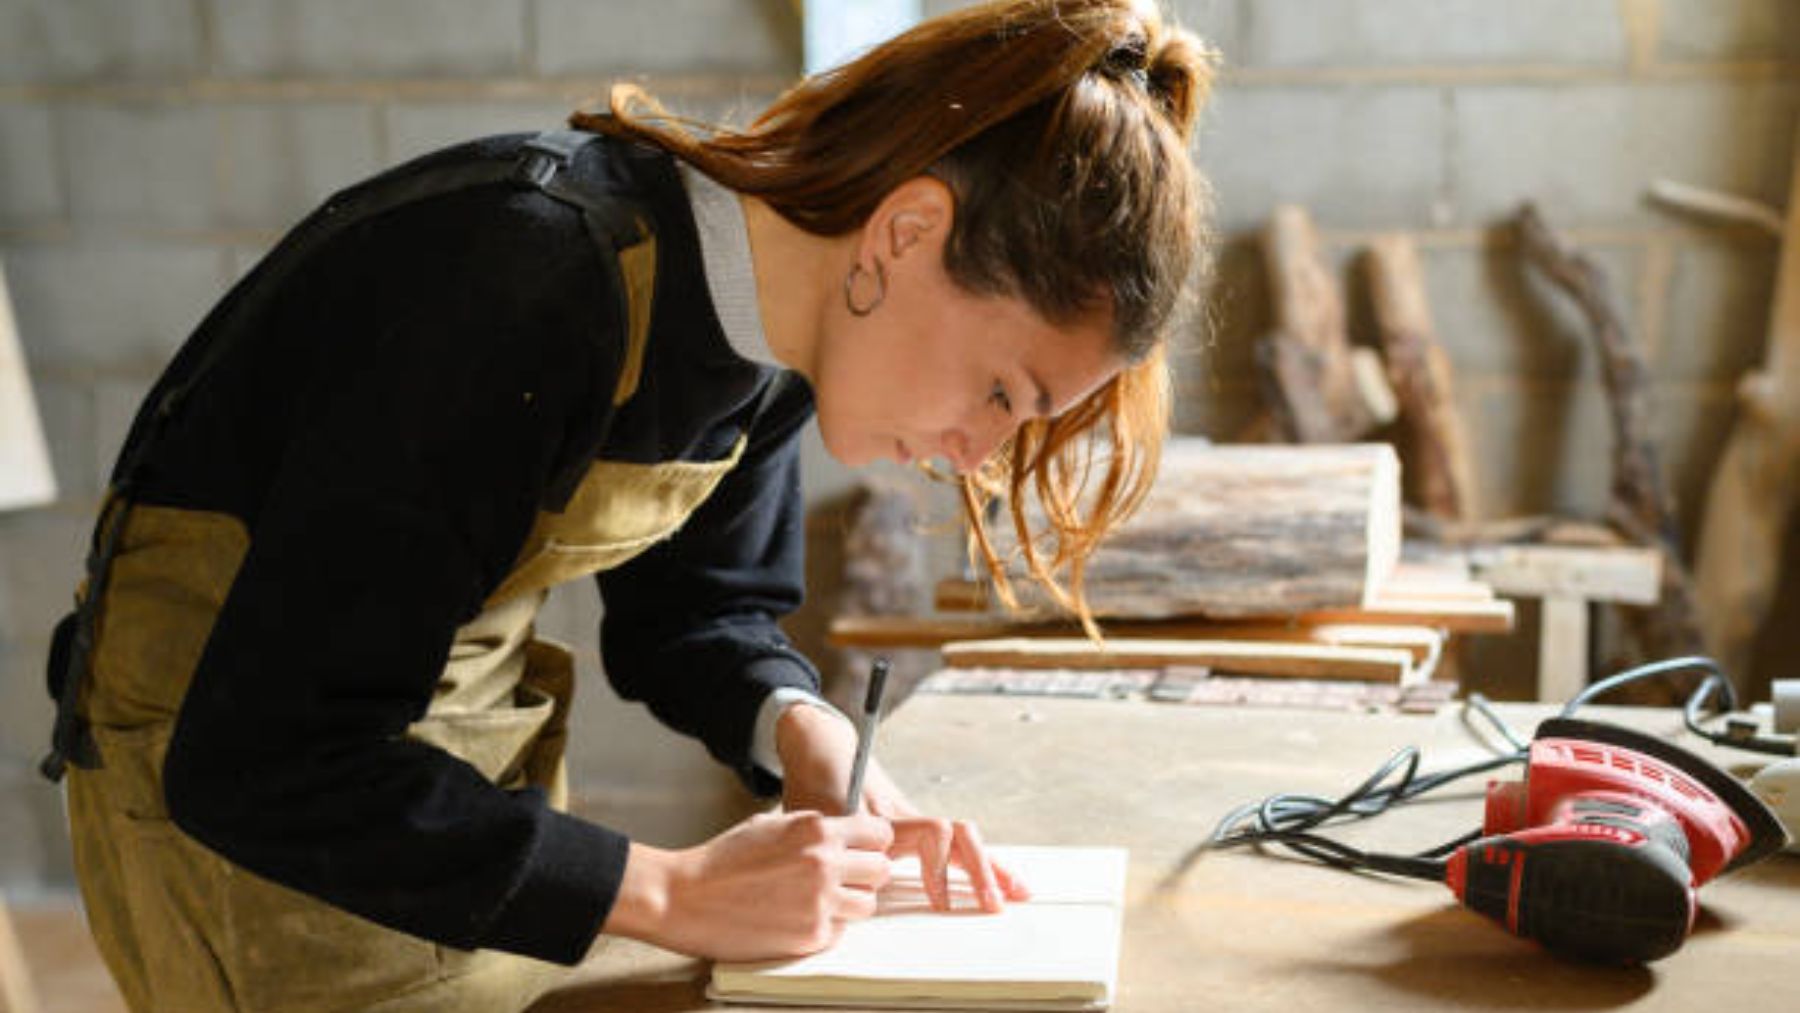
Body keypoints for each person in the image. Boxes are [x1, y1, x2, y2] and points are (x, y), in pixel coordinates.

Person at [42, 0, 1214, 1009]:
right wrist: (672, 889)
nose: (976, 453)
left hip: (437, 791)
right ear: (906, 233)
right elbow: (266, 755)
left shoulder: (783, 339)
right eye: (1001, 389)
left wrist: (796, 729)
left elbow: (693, 622)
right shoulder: (521, 282)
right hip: (245, 808)